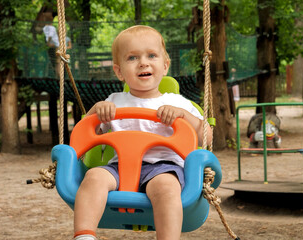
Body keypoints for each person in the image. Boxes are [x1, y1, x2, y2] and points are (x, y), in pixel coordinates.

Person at [72, 25, 212, 240]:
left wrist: (183, 116)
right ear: (119, 72)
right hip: (119, 168)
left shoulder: (176, 102)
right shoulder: (114, 101)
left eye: (151, 55)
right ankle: (84, 235)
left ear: (165, 66)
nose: (143, 62)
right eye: (132, 58)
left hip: (165, 168)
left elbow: (206, 137)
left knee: (166, 189)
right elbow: (87, 130)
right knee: (93, 177)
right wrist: (97, 111)